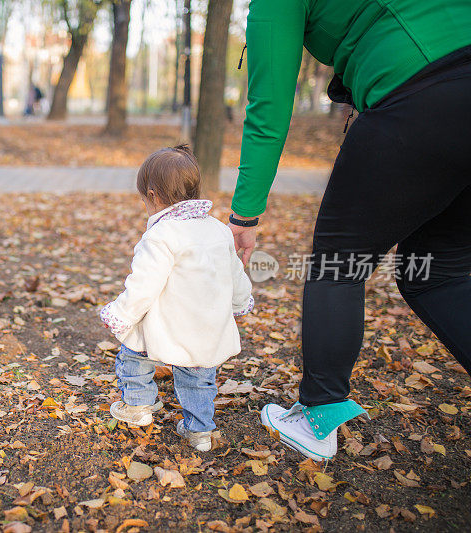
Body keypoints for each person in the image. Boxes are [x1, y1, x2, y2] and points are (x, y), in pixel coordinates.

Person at [230, 0, 471, 461]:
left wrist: (245, 214)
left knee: (339, 264)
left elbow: (269, 106)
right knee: (437, 275)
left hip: (418, 94)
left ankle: (317, 418)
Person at [100, 145, 254, 452]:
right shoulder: (219, 230)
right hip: (205, 328)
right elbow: (235, 272)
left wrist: (120, 314)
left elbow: (144, 286)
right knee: (199, 378)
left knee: (133, 353)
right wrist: (239, 302)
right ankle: (200, 432)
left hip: (166, 325)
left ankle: (139, 406)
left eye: (144, 199)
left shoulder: (160, 236)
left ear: (153, 196)